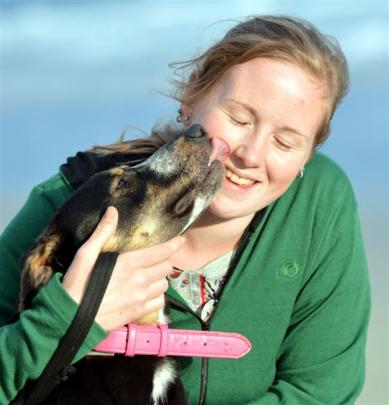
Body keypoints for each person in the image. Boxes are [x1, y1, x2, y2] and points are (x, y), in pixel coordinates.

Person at [0, 15, 370, 404]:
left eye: (286, 142)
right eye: (239, 118)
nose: (251, 154)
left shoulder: (319, 203)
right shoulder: (72, 206)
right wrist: (68, 319)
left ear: (309, 154)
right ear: (191, 94)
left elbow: (321, 391)